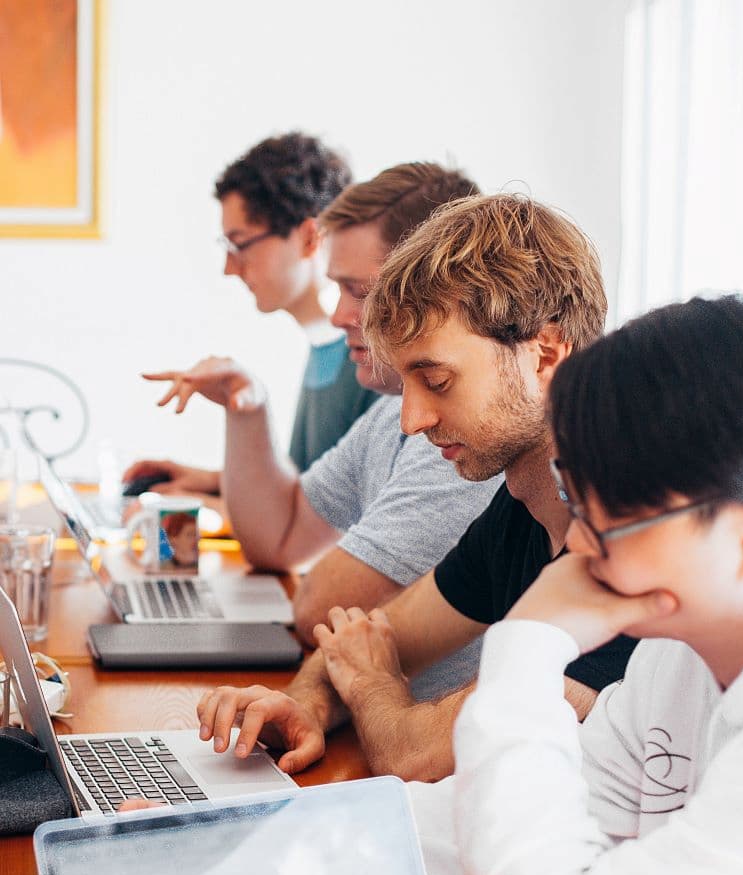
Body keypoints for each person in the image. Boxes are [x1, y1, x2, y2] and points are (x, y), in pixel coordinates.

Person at [196, 194, 636, 781]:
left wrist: (376, 688)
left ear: (545, 356)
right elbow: (370, 640)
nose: (412, 420)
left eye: (436, 381)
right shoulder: (522, 508)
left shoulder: (629, 541)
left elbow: (417, 753)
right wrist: (306, 704)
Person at [408, 295, 743, 875]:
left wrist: (526, 645)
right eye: (574, 501)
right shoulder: (677, 654)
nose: (580, 548)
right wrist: (256, 826)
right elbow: (526, 812)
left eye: (608, 518)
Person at [136, 164, 500, 647]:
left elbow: (319, 611)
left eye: (361, 292)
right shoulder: (387, 414)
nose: (337, 315)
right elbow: (278, 540)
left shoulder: (461, 439)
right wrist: (248, 411)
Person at [124, 130, 375, 509]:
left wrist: (206, 505)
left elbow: (341, 519)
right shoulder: (324, 347)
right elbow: (309, 483)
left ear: (309, 238)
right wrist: (210, 482)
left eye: (240, 245)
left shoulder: (369, 362)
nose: (229, 268)